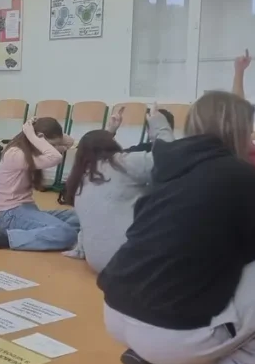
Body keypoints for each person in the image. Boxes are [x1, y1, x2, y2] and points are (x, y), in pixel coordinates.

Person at [98, 91, 255, 364]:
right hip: (170, 332)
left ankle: (149, 357)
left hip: (115, 312)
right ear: (239, 130)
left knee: (183, 261)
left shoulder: (167, 167)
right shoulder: (238, 174)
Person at [61, 107, 174, 273]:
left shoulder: (80, 178)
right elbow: (169, 159)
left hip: (97, 261)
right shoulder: (124, 162)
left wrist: (110, 131)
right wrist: (161, 128)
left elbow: (95, 147)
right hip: (130, 261)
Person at [0, 117, 76, 253]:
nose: (52, 148)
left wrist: (33, 131)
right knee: (66, 233)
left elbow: (70, 142)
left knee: (78, 217)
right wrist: (33, 136)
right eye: (52, 144)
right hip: (12, 214)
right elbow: (56, 157)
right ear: (39, 137)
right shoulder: (15, 154)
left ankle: (45, 235)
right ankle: (4, 239)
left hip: (27, 210)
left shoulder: (29, 150)